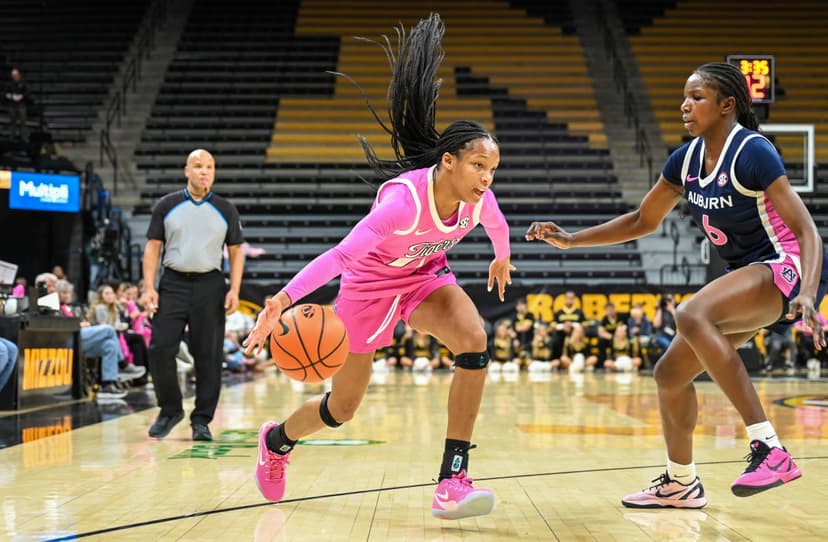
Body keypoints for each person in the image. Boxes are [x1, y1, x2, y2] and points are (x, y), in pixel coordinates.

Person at [242, 13, 513, 521]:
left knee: (474, 340)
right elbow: (340, 256)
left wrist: (502, 256)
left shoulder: (480, 201)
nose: (486, 178)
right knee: (342, 408)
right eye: (479, 166)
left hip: (423, 279)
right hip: (366, 289)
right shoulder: (401, 205)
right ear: (449, 162)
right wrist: (280, 301)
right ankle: (276, 441)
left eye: (492, 170)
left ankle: (452, 480)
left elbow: (498, 227)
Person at [526, 62, 827, 508]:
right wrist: (572, 240)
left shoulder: (753, 151)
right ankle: (681, 482)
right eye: (684, 97)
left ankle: (770, 449)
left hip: (786, 266)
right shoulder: (685, 159)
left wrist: (808, 291)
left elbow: (807, 230)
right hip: (749, 273)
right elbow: (642, 220)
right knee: (669, 373)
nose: (685, 106)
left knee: (691, 313)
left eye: (697, 97)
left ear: (727, 105)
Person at [141, 149, 244, 442]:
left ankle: (201, 420)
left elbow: (236, 252)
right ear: (187, 170)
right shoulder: (167, 205)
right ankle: (170, 409)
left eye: (209, 167)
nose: (204, 171)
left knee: (208, 355)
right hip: (173, 282)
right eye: (198, 166)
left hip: (211, 285)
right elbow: (153, 247)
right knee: (160, 347)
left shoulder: (226, 209)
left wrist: (234, 289)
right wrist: (149, 287)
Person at [3, 68, 29, 141]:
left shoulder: (24, 83)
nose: (14, 76)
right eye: (13, 75)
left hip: (21, 105)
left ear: (19, 75)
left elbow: (27, 92)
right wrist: (10, 96)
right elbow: (4, 93)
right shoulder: (9, 84)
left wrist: (22, 96)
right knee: (12, 123)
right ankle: (12, 139)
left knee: (23, 123)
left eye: (16, 75)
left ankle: (24, 139)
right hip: (12, 105)